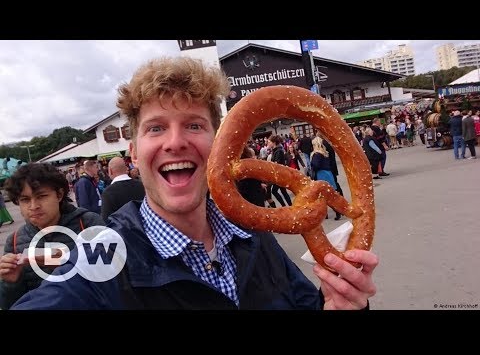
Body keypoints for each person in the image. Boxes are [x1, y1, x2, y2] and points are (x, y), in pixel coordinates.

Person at [11, 56, 378, 310]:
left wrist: (340, 304)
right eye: (156, 127)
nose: (175, 142)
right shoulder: (100, 260)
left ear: (220, 146)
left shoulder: (253, 237)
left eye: (194, 125)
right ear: (135, 153)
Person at [0, 163, 104, 309]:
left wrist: (68, 262)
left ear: (59, 195)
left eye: (41, 196)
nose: (33, 206)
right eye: (25, 199)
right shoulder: (15, 241)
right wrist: (10, 282)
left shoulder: (88, 223)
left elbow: (114, 279)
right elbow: (10, 304)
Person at [101, 156, 145, 221]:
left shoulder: (108, 193)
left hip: (121, 230)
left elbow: (107, 221)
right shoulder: (141, 185)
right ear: (126, 169)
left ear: (110, 171)